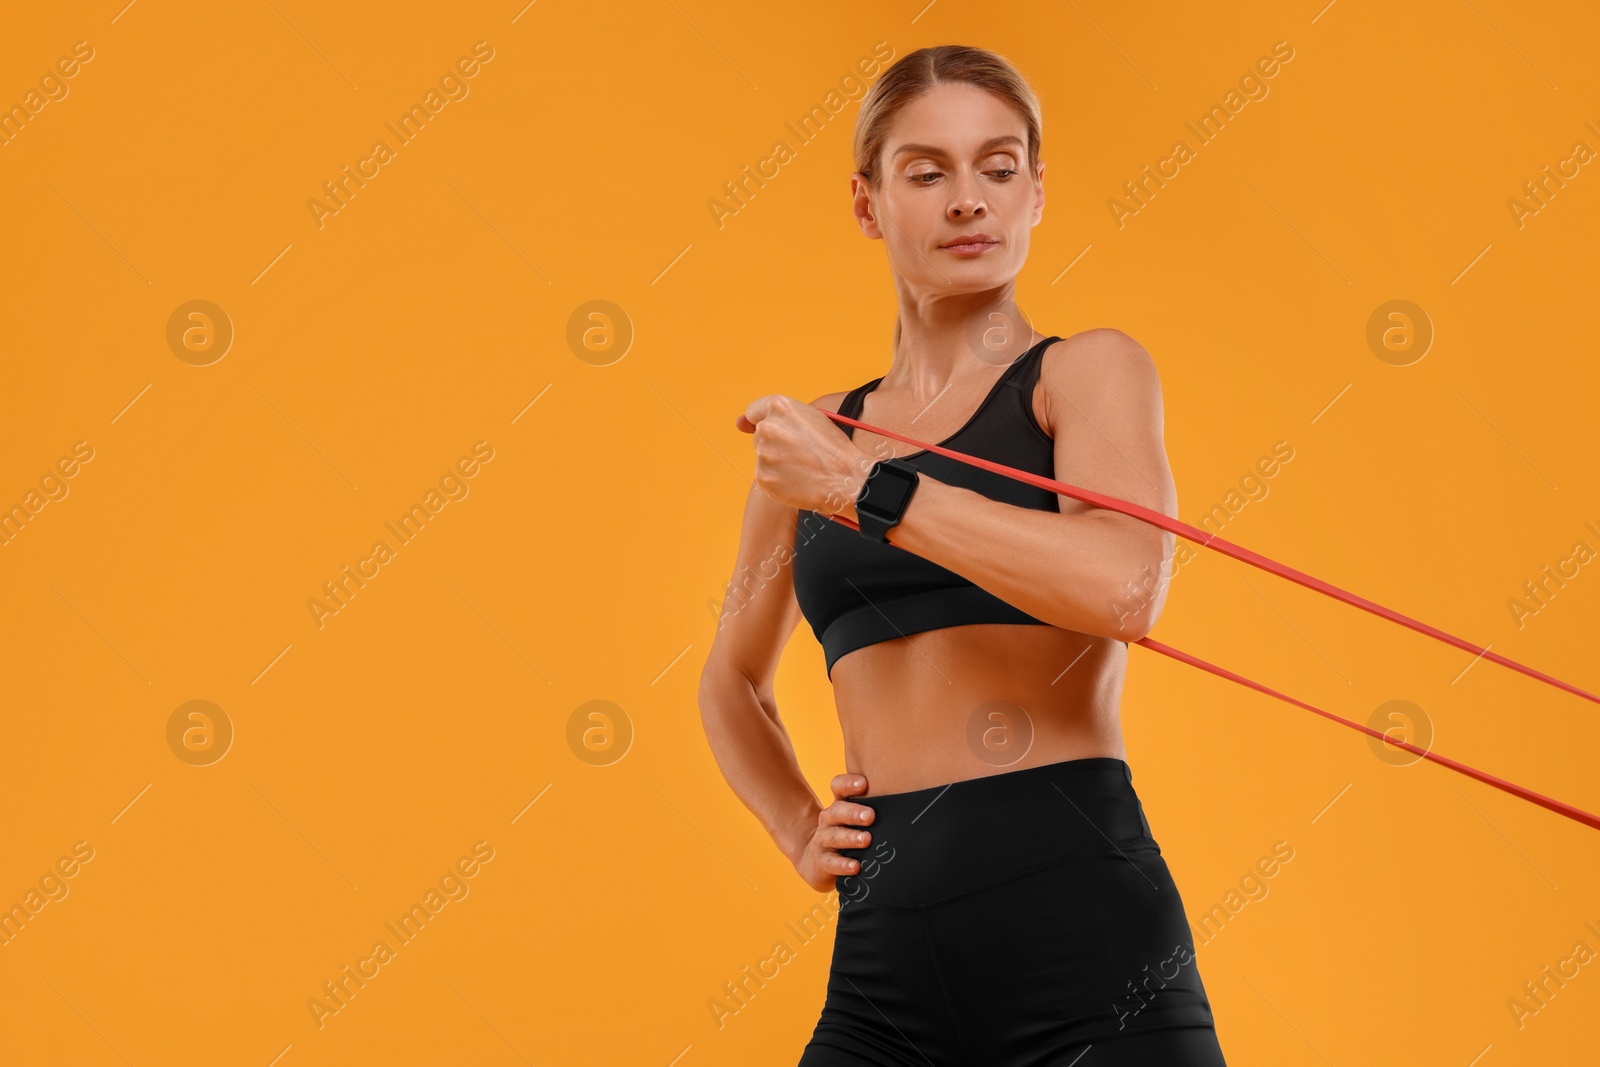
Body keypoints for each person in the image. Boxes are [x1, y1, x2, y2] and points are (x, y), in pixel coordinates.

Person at [699, 44, 1228, 1065]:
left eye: (997, 167)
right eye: (926, 171)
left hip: (1085, 934)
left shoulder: (1083, 375)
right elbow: (730, 677)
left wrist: (867, 489)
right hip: (886, 951)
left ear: (1035, 193)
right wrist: (795, 822)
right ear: (867, 204)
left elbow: (1123, 587)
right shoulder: (815, 438)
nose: (966, 201)